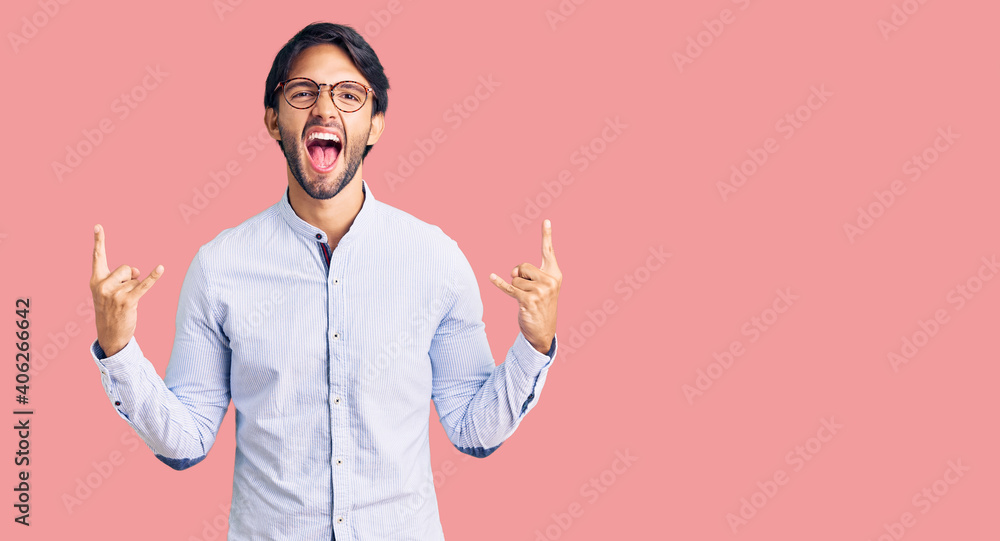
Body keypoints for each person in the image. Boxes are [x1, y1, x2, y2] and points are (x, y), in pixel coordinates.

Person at [87, 22, 562, 540]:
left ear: (376, 123)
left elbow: (474, 431)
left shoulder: (436, 261)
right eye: (303, 92)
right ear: (273, 119)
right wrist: (119, 349)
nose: (325, 108)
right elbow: (186, 443)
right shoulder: (219, 268)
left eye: (350, 94)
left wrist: (535, 343)